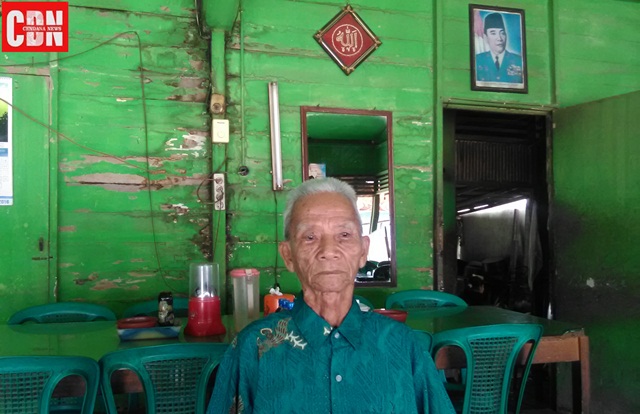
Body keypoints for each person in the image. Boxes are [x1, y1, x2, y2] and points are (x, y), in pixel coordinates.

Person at [207, 178, 455, 414]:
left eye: (344, 235)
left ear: (363, 251)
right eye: (310, 237)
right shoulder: (253, 348)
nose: (328, 250)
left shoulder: (402, 344)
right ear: (288, 255)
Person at [475, 12, 523, 83]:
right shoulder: (477, 60)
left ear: (506, 36)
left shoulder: (519, 61)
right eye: (493, 33)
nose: (499, 38)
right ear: (485, 37)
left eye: (502, 33)